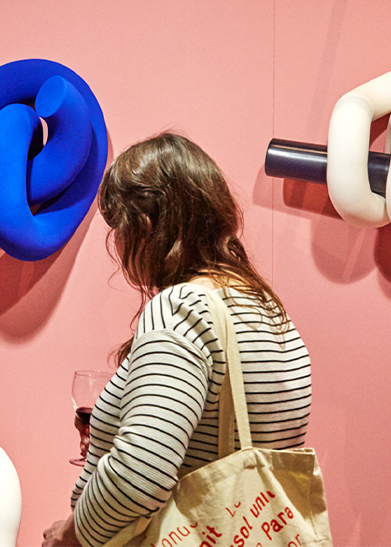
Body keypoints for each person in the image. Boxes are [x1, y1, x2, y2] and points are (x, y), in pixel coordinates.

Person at [43, 132, 312, 547]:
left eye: (120, 230)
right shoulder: (270, 311)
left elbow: (140, 473)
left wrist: (72, 535)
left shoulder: (182, 308)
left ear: (145, 227)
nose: (119, 246)